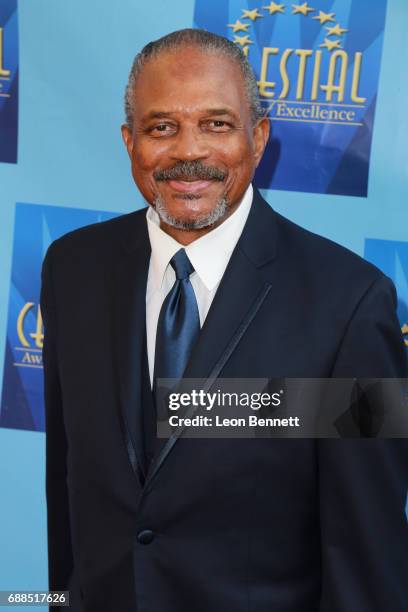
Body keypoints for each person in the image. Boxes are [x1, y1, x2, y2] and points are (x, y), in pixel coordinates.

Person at [41, 29, 408, 612]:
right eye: (162, 127)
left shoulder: (352, 305)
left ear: (258, 139)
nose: (189, 151)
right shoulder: (73, 268)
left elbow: (368, 558)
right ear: (129, 141)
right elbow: (67, 492)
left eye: (217, 124)